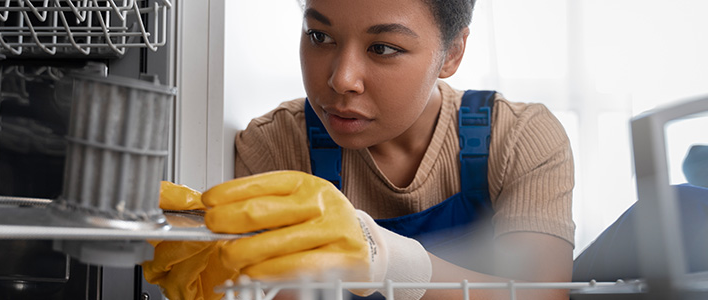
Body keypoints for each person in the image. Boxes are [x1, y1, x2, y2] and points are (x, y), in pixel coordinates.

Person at [143, 0, 575, 299]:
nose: (341, 79)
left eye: (383, 48)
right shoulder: (277, 144)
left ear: (452, 53)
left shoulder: (518, 137)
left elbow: (541, 293)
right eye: (320, 36)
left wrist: (381, 257)